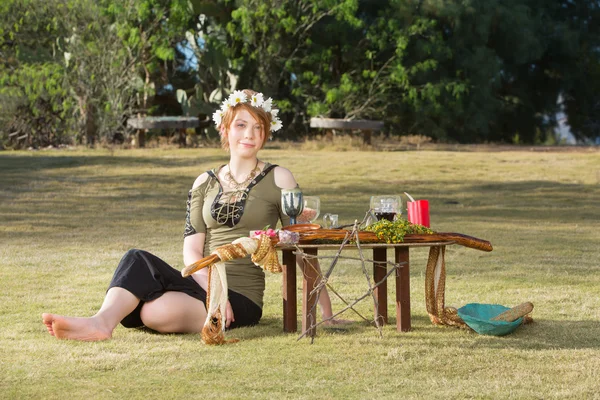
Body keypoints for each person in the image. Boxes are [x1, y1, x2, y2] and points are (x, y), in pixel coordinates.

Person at [42, 89, 346, 342]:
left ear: (266, 132)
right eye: (241, 125)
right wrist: (214, 290)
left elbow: (303, 246)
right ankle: (99, 323)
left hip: (242, 298)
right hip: (204, 282)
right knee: (136, 259)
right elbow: (191, 251)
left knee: (154, 312)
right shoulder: (204, 182)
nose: (250, 134)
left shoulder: (279, 177)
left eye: (258, 127)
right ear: (226, 129)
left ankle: (108, 320)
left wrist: (327, 312)